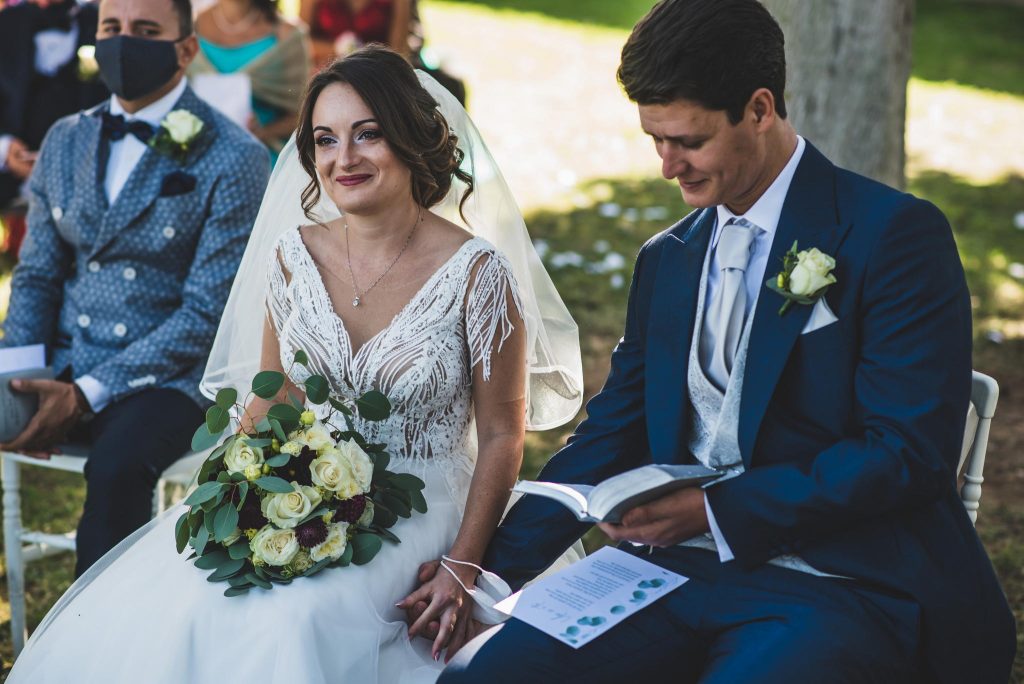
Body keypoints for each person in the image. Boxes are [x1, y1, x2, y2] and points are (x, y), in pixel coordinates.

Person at [437, 1, 1017, 682]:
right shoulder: (668, 258)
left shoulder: (892, 236)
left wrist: (716, 511)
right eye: (655, 140)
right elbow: (611, 433)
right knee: (483, 676)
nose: (667, 166)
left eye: (688, 141)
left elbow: (907, 452)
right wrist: (481, 571)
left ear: (760, 109)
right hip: (671, 573)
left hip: (842, 582)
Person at [5, 45, 583, 682]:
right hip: (300, 493)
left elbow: (502, 434)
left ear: (412, 138)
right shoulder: (292, 256)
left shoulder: (478, 273)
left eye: (369, 134)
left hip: (424, 511)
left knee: (298, 621)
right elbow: (274, 394)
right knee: (192, 604)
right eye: (325, 140)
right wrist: (234, 498)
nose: (344, 158)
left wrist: (464, 565)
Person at [0, 0, 268, 576]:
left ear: (186, 49)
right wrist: (16, 380)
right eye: (112, 29)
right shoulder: (64, 138)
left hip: (170, 377)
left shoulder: (234, 155)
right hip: (70, 355)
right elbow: (38, 274)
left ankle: (92, 626)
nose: (124, 44)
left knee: (117, 466)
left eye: (146, 31)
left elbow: (206, 314)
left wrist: (84, 395)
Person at [0, 0, 108, 255]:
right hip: (10, 178)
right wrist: (5, 149)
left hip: (79, 184)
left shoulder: (98, 24)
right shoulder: (7, 23)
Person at [189, 0, 309, 162]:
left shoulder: (287, 36)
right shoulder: (191, 25)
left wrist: (263, 132)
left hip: (262, 154)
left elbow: (303, 114)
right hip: (197, 152)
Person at [300, 0, 465, 104]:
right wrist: (338, 48)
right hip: (324, 71)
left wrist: (366, 56)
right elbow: (301, 41)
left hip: (379, 72)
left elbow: (398, 49)